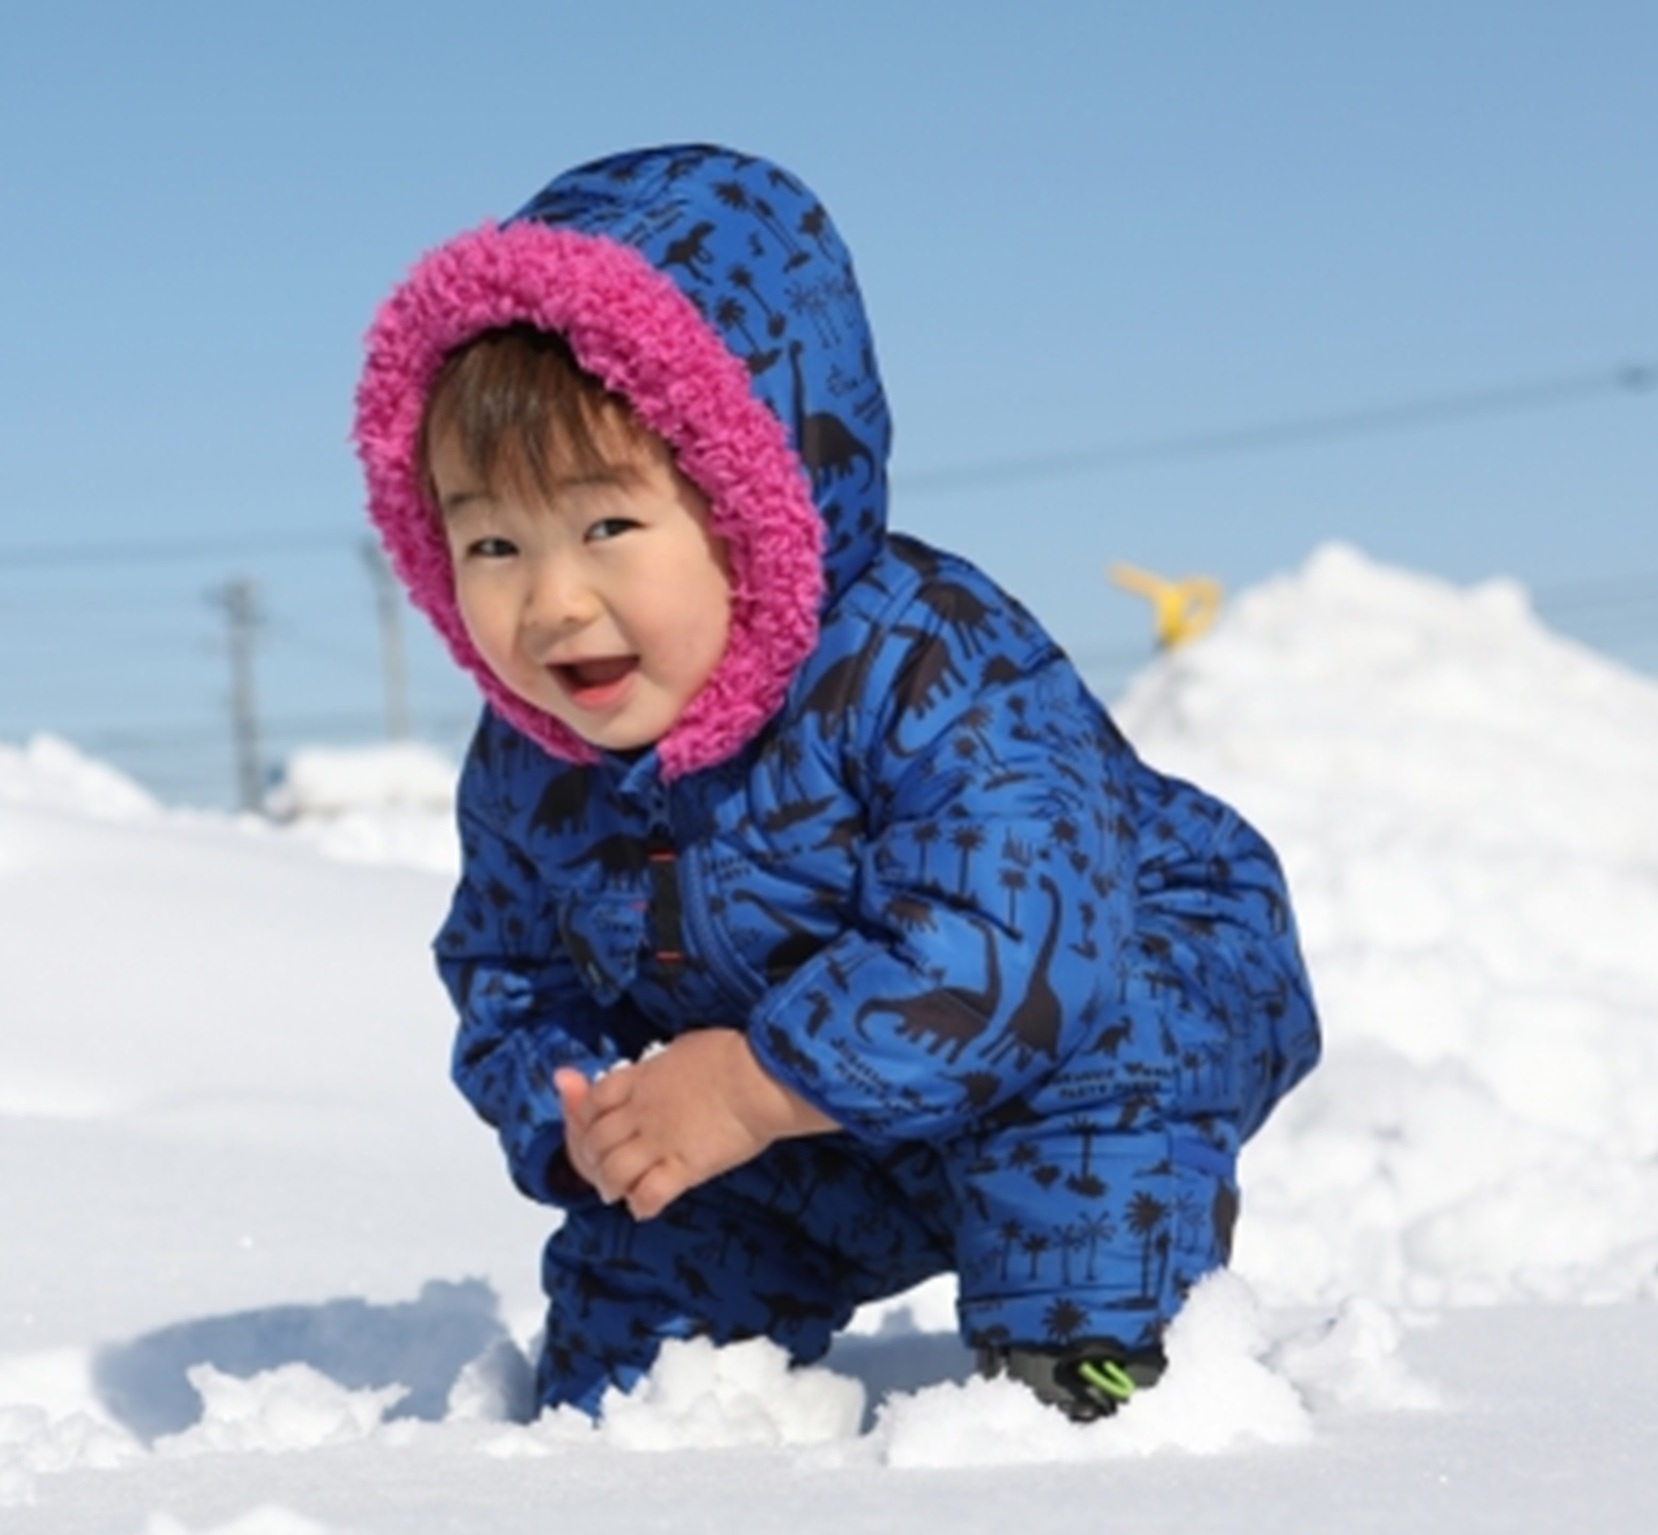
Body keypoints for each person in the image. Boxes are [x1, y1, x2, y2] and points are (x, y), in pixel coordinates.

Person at [352, 145, 1320, 1422]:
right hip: (799, 1096)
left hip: (1095, 999)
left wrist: (753, 1085)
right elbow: (507, 966)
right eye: (490, 541)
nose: (550, 600)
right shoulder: (533, 764)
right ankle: (637, 1431)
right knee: (636, 1306)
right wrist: (585, 1108)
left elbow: (1009, 941)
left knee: (1095, 1094)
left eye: (604, 527)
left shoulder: (929, 658)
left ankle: (1085, 1372)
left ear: (753, 496)